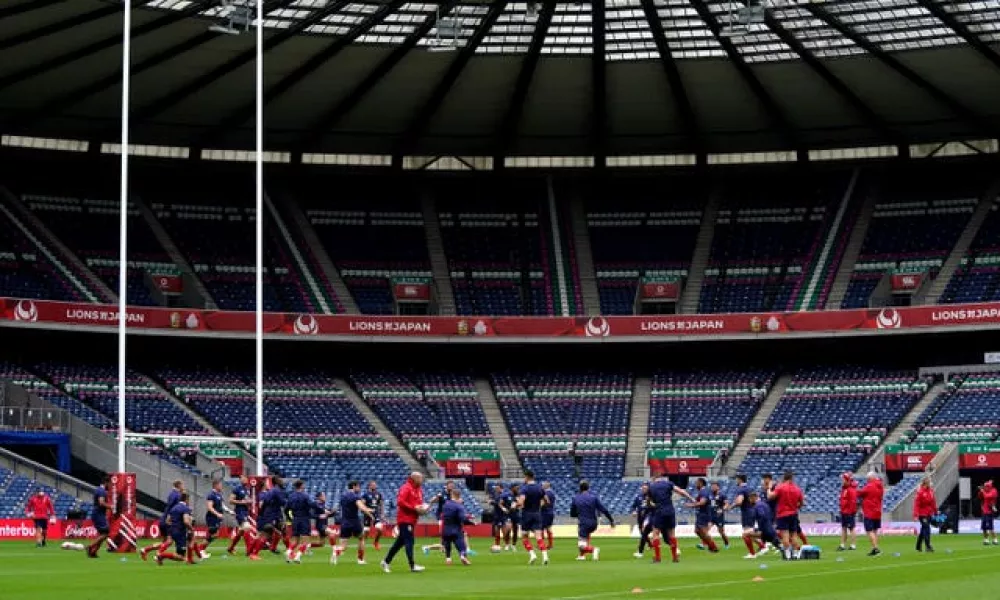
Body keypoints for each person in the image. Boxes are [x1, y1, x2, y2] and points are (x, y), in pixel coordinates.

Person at [381, 472, 428, 573]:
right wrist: (414, 508)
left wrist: (423, 508)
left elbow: (418, 504)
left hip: (412, 519)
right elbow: (400, 501)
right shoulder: (406, 488)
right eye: (420, 478)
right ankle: (412, 565)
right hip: (405, 519)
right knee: (409, 541)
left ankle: (386, 561)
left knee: (399, 543)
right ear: (414, 478)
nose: (422, 480)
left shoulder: (419, 490)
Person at [647, 475, 694, 563]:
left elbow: (649, 502)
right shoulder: (668, 484)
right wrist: (691, 499)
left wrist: (653, 505)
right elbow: (681, 491)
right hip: (670, 511)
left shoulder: (651, 487)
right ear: (662, 478)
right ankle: (675, 557)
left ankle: (657, 558)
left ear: (654, 479)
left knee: (656, 533)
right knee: (672, 534)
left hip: (659, 511)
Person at [330, 480, 375, 565]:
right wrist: (369, 511)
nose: (359, 488)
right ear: (354, 486)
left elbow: (337, 508)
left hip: (344, 522)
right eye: (358, 486)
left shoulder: (343, 496)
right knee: (361, 539)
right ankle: (360, 560)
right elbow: (361, 507)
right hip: (354, 522)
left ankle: (336, 551)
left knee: (343, 546)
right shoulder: (355, 496)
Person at [570, 480, 615, 562]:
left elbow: (572, 514)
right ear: (588, 488)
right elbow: (604, 510)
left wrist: (579, 514)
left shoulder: (575, 498)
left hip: (583, 523)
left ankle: (593, 550)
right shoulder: (594, 498)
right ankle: (581, 556)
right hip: (594, 523)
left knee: (581, 545)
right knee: (586, 535)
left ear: (579, 488)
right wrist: (611, 520)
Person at [141, 480, 184, 560]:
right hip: (168, 521)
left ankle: (145, 549)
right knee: (169, 541)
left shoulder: (171, 494)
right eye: (182, 485)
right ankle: (159, 554)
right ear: (179, 485)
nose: (183, 487)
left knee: (164, 542)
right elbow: (175, 509)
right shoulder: (178, 495)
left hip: (163, 519)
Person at [249, 477, 288, 560]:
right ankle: (253, 554)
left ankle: (287, 550)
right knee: (266, 534)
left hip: (274, 514)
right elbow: (282, 502)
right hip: (272, 515)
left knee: (283, 529)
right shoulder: (276, 490)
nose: (282, 481)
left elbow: (264, 503)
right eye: (281, 480)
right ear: (277, 482)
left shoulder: (270, 491)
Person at [768, 470, 804, 561]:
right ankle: (796, 554)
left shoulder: (780, 487)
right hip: (793, 514)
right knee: (794, 535)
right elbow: (801, 503)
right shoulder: (797, 489)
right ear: (792, 478)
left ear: (784, 477)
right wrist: (795, 506)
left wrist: (769, 488)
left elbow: (770, 497)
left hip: (782, 514)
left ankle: (788, 555)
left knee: (785, 536)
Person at [517, 470, 549, 565]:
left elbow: (521, 501)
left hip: (527, 514)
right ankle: (545, 556)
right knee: (538, 536)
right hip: (537, 514)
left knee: (524, 536)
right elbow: (547, 501)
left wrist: (517, 504)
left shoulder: (525, 488)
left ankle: (532, 555)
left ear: (527, 477)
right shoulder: (540, 488)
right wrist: (539, 506)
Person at [728, 474, 763, 558]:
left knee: (747, 534)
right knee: (749, 533)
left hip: (747, 512)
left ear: (740, 480)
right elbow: (758, 500)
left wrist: (731, 506)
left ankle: (753, 553)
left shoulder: (741, 489)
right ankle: (762, 546)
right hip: (752, 511)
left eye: (737, 479)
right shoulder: (750, 488)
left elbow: (739, 502)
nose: (736, 481)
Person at [156, 492, 195, 565]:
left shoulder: (174, 508)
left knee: (190, 540)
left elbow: (167, 521)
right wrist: (191, 528)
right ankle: (161, 555)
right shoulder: (185, 508)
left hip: (172, 530)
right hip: (180, 532)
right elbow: (186, 521)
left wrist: (174, 525)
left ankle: (190, 560)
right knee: (181, 557)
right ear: (186, 499)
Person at [284, 480, 317, 563]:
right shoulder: (305, 495)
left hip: (295, 519)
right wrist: (319, 508)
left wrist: (290, 518)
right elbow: (312, 504)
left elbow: (286, 509)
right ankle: (297, 557)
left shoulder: (291, 496)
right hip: (304, 519)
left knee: (295, 539)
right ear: (301, 486)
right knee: (305, 540)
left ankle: (288, 553)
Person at [440, 489, 474, 566]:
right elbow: (463, 519)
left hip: (445, 529)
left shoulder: (446, 504)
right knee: (462, 546)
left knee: (447, 544)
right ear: (459, 496)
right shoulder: (459, 506)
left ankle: (448, 559)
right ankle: (462, 556)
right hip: (456, 529)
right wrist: (471, 523)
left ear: (452, 495)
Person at [422, 481, 456, 556]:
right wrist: (435, 499)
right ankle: (428, 547)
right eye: (450, 485)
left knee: (446, 535)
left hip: (449, 517)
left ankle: (441, 547)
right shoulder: (442, 493)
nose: (451, 487)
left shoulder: (452, 494)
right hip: (442, 516)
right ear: (446, 486)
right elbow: (432, 500)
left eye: (452, 485)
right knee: (445, 534)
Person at [687, 478, 720, 553]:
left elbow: (702, 502)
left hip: (703, 514)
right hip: (702, 514)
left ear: (701, 483)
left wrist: (691, 505)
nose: (696, 484)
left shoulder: (703, 491)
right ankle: (711, 546)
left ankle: (713, 547)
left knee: (704, 532)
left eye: (697, 483)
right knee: (697, 531)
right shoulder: (705, 491)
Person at [857, 471, 884, 557]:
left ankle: (876, 548)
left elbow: (859, 493)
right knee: (875, 531)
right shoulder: (880, 486)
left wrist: (854, 487)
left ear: (871, 478)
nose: (867, 480)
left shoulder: (869, 486)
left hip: (869, 511)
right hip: (877, 511)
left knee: (869, 531)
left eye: (868, 478)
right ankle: (874, 548)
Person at [200, 479, 226, 559]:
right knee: (213, 534)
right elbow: (209, 507)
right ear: (216, 485)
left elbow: (222, 506)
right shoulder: (211, 495)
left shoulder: (219, 495)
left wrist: (230, 511)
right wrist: (217, 514)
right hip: (212, 517)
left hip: (216, 518)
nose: (221, 486)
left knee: (215, 535)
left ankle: (201, 549)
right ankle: (200, 549)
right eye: (220, 485)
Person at [748, 490, 778, 559]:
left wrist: (759, 529)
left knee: (746, 534)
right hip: (769, 528)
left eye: (750, 498)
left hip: (765, 530)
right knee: (777, 543)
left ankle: (754, 553)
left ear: (753, 497)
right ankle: (763, 547)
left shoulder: (758, 505)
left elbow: (762, 516)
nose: (749, 500)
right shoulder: (764, 504)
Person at [227, 475, 253, 555]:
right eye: (242, 478)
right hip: (239, 511)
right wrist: (242, 502)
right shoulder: (237, 489)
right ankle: (249, 551)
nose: (244, 479)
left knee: (241, 532)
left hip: (245, 511)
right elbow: (230, 500)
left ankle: (231, 548)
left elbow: (247, 500)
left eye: (245, 478)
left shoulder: (247, 489)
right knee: (247, 527)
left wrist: (249, 501)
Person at [913, 477, 936, 553]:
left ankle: (918, 546)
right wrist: (916, 515)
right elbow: (916, 504)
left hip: (929, 513)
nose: (931, 484)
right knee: (927, 528)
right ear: (926, 483)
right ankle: (928, 546)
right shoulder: (920, 492)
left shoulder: (931, 491)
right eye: (929, 482)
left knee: (923, 530)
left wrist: (935, 511)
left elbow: (933, 502)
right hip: (922, 514)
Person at [838, 473, 859, 551]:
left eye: (843, 479)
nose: (842, 481)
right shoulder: (844, 489)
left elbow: (853, 502)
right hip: (844, 512)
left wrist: (851, 512)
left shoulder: (851, 489)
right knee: (844, 528)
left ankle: (853, 545)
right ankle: (842, 545)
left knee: (851, 528)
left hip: (849, 512)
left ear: (847, 480)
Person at [632, 483, 653, 559]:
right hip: (640, 516)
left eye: (645, 488)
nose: (644, 489)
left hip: (648, 515)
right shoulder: (638, 497)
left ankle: (640, 550)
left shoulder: (651, 496)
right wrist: (634, 511)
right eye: (643, 488)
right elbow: (634, 506)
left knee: (644, 531)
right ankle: (650, 544)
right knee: (642, 532)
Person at [362, 481, 385, 550]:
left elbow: (381, 504)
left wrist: (382, 514)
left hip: (376, 514)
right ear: (369, 486)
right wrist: (366, 510)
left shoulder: (378, 494)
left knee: (380, 529)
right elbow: (362, 505)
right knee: (366, 532)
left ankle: (376, 542)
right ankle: (362, 544)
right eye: (373, 485)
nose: (375, 486)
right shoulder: (365, 495)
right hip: (367, 514)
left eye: (375, 485)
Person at [709, 481, 730, 549]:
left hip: (719, 516)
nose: (713, 487)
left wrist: (722, 509)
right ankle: (704, 544)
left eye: (714, 486)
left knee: (721, 532)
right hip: (711, 516)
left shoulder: (722, 495)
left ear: (718, 487)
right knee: (705, 530)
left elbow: (727, 504)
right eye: (712, 486)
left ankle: (727, 543)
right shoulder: (710, 495)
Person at [978, 480, 998, 546]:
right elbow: (980, 497)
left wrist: (982, 491)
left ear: (990, 486)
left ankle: (995, 539)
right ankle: (986, 539)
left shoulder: (994, 491)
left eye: (986, 486)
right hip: (984, 511)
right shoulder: (984, 491)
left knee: (990, 527)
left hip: (990, 511)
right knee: (984, 527)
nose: (985, 487)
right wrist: (980, 491)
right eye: (985, 486)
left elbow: (987, 496)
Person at [541, 481, 556, 550]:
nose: (542, 486)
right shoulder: (552, 492)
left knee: (541, 528)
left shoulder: (547, 493)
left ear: (547, 485)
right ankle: (550, 545)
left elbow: (543, 503)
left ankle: (542, 545)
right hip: (550, 512)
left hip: (545, 513)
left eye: (543, 484)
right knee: (548, 528)